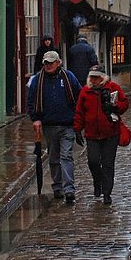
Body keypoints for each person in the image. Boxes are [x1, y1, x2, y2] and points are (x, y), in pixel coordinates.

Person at [27, 50, 82, 203]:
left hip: (67, 124)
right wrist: (36, 119)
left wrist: (78, 118)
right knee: (53, 158)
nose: (48, 65)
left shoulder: (69, 76)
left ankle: (69, 189)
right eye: (46, 63)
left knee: (66, 156)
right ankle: (57, 187)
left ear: (59, 63)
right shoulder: (38, 80)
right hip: (49, 125)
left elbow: (79, 95)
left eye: (51, 62)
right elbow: (31, 101)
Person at [74, 64, 129, 205]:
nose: (93, 80)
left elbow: (124, 104)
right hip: (92, 134)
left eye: (96, 77)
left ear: (103, 78)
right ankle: (97, 182)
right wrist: (77, 129)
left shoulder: (113, 88)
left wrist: (115, 107)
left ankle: (107, 193)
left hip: (110, 132)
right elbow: (80, 111)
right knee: (93, 161)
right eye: (92, 77)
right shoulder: (85, 91)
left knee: (108, 164)